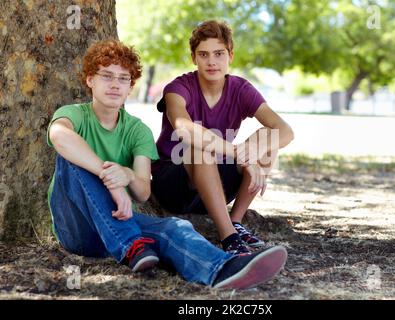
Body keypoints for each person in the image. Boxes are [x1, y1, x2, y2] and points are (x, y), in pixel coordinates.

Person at [46, 39, 287, 290]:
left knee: (174, 227)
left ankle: (223, 269)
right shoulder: (74, 114)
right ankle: (130, 244)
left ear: (131, 86)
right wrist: (111, 179)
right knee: (70, 158)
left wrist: (127, 175)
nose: (115, 85)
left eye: (123, 79)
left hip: (117, 227)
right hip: (78, 231)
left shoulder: (137, 131)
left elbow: (142, 191)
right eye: (106, 76)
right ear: (90, 80)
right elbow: (59, 136)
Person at [152, 20, 294, 255]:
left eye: (219, 53)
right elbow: (183, 127)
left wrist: (254, 151)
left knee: (267, 139)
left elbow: (285, 130)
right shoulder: (178, 88)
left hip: (215, 182)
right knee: (199, 148)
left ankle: (236, 221)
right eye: (203, 54)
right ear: (193, 58)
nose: (211, 61)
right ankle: (228, 237)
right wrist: (240, 154)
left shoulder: (241, 89)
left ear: (230, 55)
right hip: (173, 182)